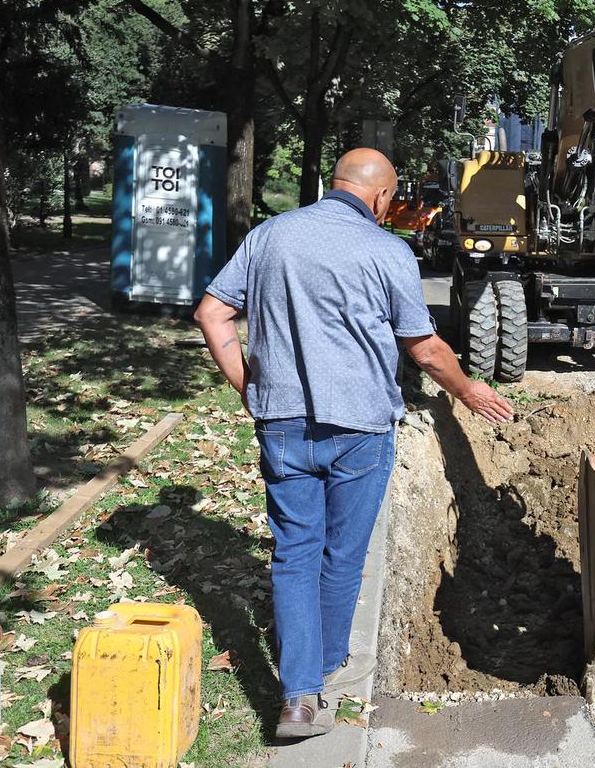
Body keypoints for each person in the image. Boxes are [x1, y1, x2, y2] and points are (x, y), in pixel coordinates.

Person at [194, 148, 513, 739]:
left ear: (334, 183)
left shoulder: (270, 236)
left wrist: (249, 388)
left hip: (283, 424)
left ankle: (298, 697)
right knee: (341, 557)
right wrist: (469, 390)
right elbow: (425, 349)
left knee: (294, 554)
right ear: (381, 196)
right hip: (360, 431)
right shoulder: (387, 251)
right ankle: (324, 668)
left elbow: (212, 314)